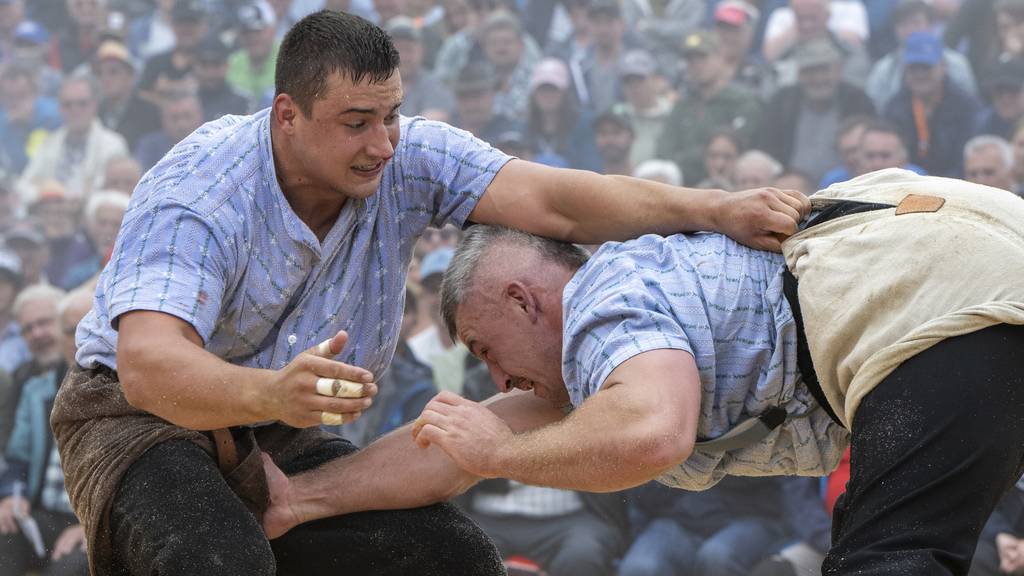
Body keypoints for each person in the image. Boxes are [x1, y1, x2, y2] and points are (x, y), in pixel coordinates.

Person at [51, 10, 809, 576]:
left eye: (390, 116)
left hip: (282, 421)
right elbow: (149, 368)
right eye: (356, 123)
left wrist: (713, 208)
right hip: (137, 419)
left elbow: (557, 203)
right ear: (286, 115)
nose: (382, 144)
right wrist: (270, 393)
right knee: (218, 561)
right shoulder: (200, 189)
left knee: (454, 559)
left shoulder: (407, 155)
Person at [352, 167, 1024, 576]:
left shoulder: (599, 297)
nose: (497, 379)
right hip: (962, 252)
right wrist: (303, 498)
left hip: (939, 304)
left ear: (523, 300)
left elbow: (653, 435)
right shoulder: (620, 337)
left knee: (885, 561)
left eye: (483, 347)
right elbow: (452, 452)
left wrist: (498, 454)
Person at [0, 286, 90, 576]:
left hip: (92, 522)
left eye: (45, 322)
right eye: (28, 328)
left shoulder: (117, 387)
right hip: (43, 514)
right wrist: (13, 496)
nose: (37, 334)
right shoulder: (34, 388)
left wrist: (89, 526)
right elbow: (17, 457)